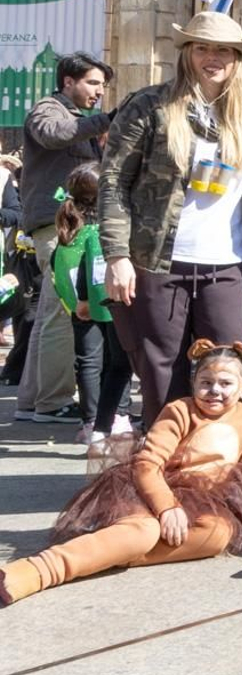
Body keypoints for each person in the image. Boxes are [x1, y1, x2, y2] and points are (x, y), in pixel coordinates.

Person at [0, 340, 242, 606]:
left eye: (225, 384)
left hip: (203, 500)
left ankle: (108, 554)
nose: (214, 390)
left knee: (217, 535)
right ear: (194, 382)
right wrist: (166, 507)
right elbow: (147, 464)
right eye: (205, 382)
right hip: (151, 488)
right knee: (144, 531)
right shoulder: (180, 410)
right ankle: (40, 570)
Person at [101, 13, 242, 423]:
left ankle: (220, 471)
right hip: (159, 262)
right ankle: (167, 471)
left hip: (229, 263)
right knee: (162, 374)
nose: (213, 57)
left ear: (237, 58)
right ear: (187, 53)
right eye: (202, 48)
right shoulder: (149, 106)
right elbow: (114, 182)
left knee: (229, 369)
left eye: (223, 49)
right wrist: (116, 256)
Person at [17, 51, 113, 424]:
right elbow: (54, 135)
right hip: (56, 227)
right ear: (68, 82)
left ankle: (33, 400)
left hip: (62, 228)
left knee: (49, 314)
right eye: (92, 83)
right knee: (65, 312)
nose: (99, 92)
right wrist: (107, 121)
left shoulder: (78, 118)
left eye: (103, 86)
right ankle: (54, 402)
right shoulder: (48, 109)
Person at [51, 164, 134, 445]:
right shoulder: (105, 232)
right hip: (109, 303)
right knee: (118, 362)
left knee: (87, 363)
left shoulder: (69, 232)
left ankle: (89, 421)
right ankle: (119, 415)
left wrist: (77, 302)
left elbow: (56, 269)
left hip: (79, 309)